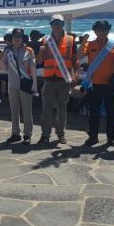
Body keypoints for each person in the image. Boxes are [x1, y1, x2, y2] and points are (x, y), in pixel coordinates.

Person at [78, 20, 114, 147]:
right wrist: (84, 41)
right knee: (94, 112)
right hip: (94, 84)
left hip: (110, 84)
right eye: (99, 29)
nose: (102, 32)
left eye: (104, 29)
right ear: (95, 31)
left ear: (108, 30)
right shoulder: (90, 44)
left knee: (111, 112)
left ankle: (112, 137)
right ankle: (93, 136)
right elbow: (79, 56)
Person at [36, 14, 77, 145]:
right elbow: (38, 61)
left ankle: (61, 134)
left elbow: (74, 60)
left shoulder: (71, 40)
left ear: (63, 25)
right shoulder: (45, 40)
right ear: (51, 25)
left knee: (62, 109)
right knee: (46, 109)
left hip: (64, 79)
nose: (57, 26)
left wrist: (74, 75)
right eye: (54, 23)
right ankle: (45, 135)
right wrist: (40, 52)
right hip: (49, 79)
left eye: (59, 23)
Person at [0, 28, 37, 144]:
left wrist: (35, 83)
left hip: (26, 83)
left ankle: (27, 134)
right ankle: (15, 133)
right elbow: (4, 67)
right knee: (14, 110)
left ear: (22, 39)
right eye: (14, 37)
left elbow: (33, 67)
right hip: (12, 84)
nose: (17, 39)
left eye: (19, 37)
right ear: (11, 39)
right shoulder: (8, 51)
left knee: (27, 110)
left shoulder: (29, 50)